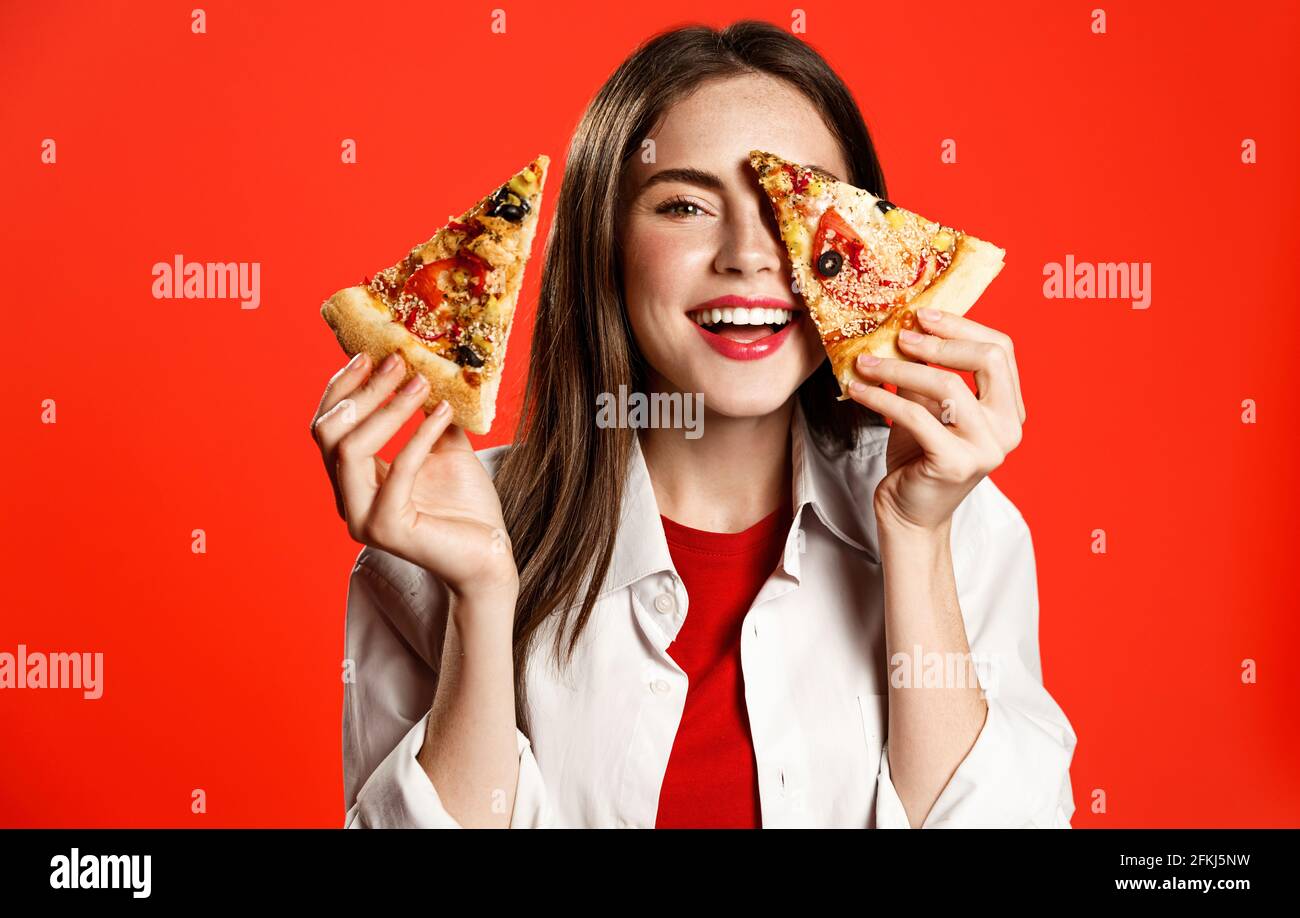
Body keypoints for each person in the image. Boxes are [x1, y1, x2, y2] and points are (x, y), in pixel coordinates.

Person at [310, 20, 1077, 829]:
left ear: (868, 241)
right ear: (605, 245)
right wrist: (479, 593)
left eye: (798, 205)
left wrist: (916, 540)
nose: (750, 254)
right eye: (684, 204)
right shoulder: (431, 545)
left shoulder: (969, 533)